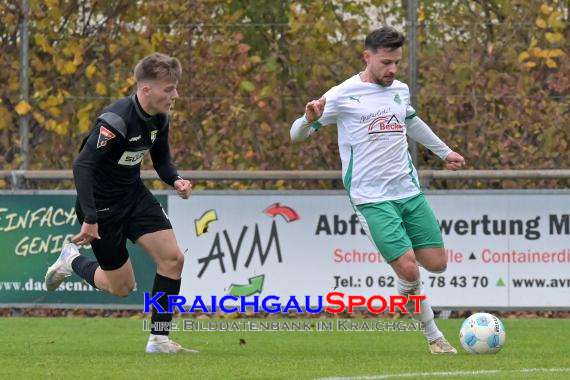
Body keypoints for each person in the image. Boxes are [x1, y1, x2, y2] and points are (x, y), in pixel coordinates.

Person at [290, 27, 465, 354]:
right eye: (386, 62)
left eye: (397, 62)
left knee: (437, 263)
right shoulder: (342, 95)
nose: (393, 69)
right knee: (410, 267)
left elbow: (412, 122)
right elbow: (296, 135)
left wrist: (445, 152)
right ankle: (434, 338)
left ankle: (406, 289)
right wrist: (306, 119)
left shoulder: (399, 89)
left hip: (408, 192)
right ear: (367, 57)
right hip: (371, 199)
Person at [45, 53, 196, 353]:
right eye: (169, 89)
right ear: (146, 91)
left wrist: (175, 179)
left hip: (134, 196)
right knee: (121, 288)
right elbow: (82, 166)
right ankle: (71, 261)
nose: (175, 95)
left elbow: (162, 158)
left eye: (175, 88)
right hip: (101, 207)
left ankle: (159, 339)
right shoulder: (115, 121)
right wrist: (90, 217)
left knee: (173, 259)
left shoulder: (159, 118)